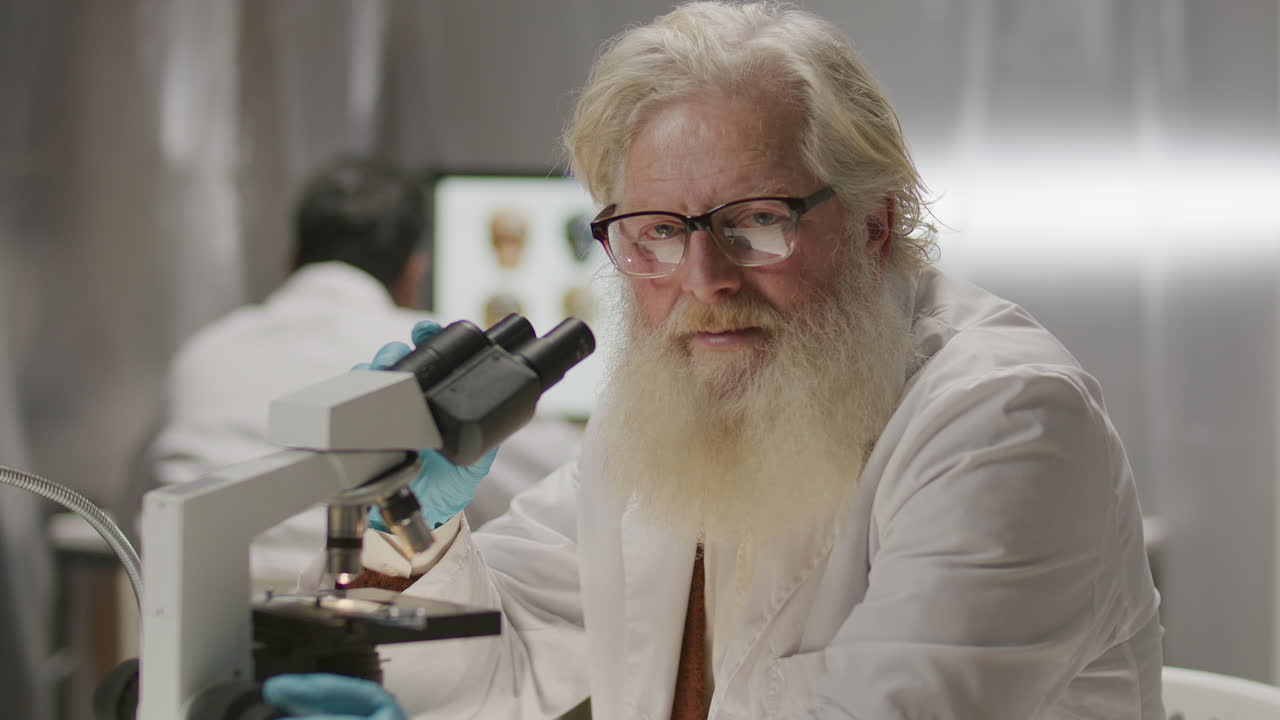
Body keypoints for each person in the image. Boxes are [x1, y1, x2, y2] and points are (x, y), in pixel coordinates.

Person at [264, 3, 1164, 718]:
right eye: (656, 233)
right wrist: (404, 530)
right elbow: (497, 674)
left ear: (875, 226)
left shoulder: (1004, 423)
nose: (704, 281)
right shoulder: (675, 419)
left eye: (755, 221)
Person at [148, 155, 583, 589]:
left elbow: (149, 496)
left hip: (199, 605)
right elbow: (571, 477)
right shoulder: (422, 360)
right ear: (414, 272)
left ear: (291, 257)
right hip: (349, 603)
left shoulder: (203, 351)